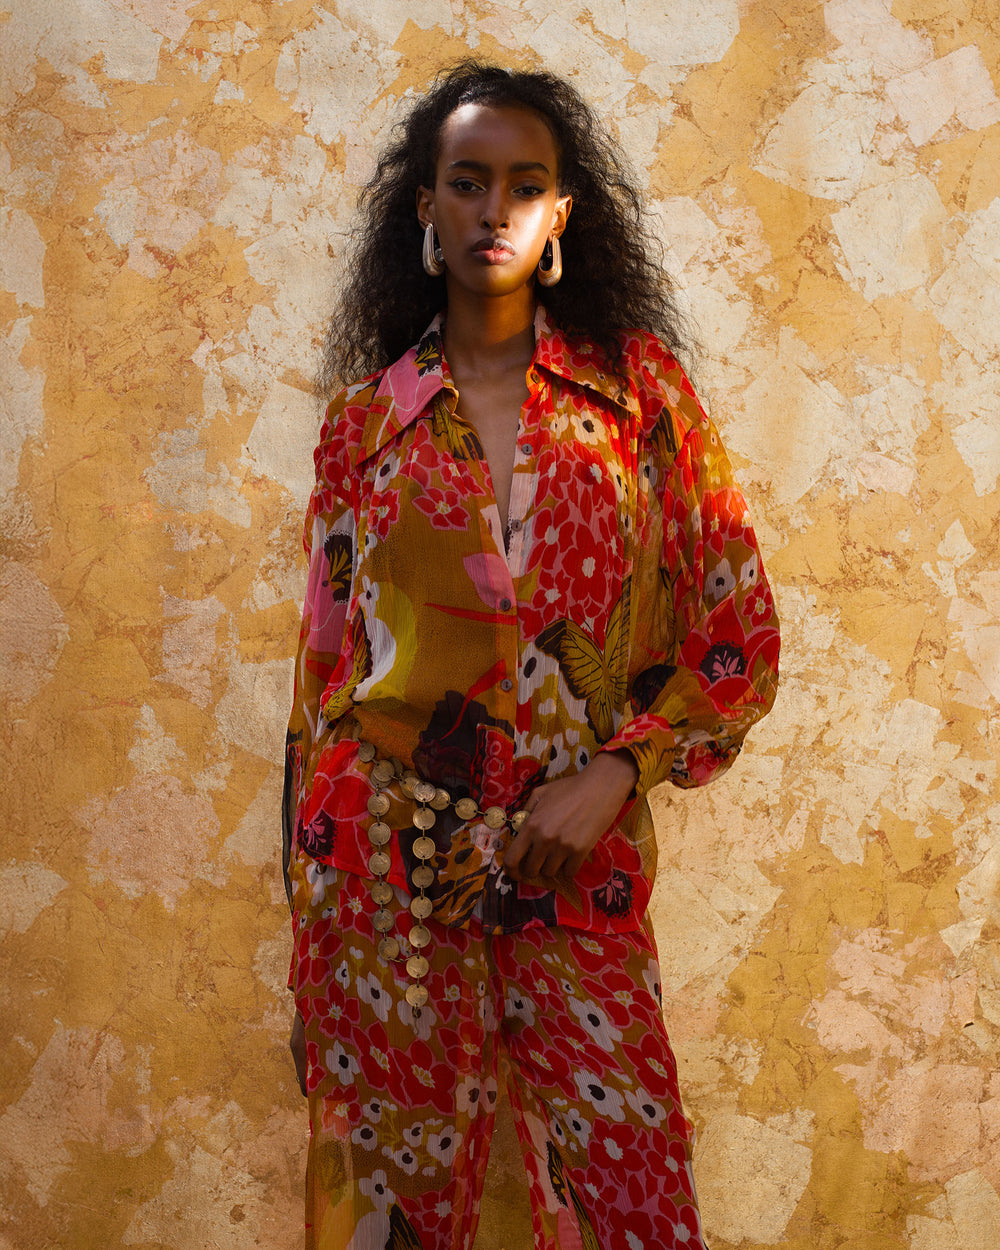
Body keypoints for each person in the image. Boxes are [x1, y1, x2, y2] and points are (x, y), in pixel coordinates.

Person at [283, 60, 780, 1250]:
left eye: (524, 184)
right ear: (425, 208)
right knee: (392, 1227)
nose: (493, 209)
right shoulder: (366, 421)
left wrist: (613, 772)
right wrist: (310, 945)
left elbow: (736, 638)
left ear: (563, 214)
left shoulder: (641, 399)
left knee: (635, 1206)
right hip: (387, 893)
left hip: (581, 880)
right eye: (466, 182)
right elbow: (320, 684)